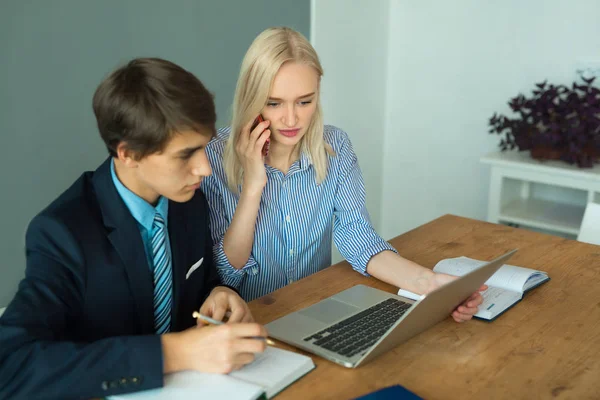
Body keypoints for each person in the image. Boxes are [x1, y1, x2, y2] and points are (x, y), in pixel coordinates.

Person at [0, 58, 266, 400]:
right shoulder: (61, 233)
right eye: (185, 155)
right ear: (128, 154)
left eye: (204, 147)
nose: (205, 169)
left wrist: (219, 295)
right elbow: (10, 365)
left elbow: (203, 283)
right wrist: (172, 353)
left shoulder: (190, 200)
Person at [201, 27, 485, 321]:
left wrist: (430, 284)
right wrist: (253, 187)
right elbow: (225, 273)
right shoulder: (211, 156)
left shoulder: (335, 147)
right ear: (252, 98)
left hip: (312, 314)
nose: (291, 118)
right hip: (247, 322)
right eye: (274, 103)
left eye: (304, 101)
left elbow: (358, 236)